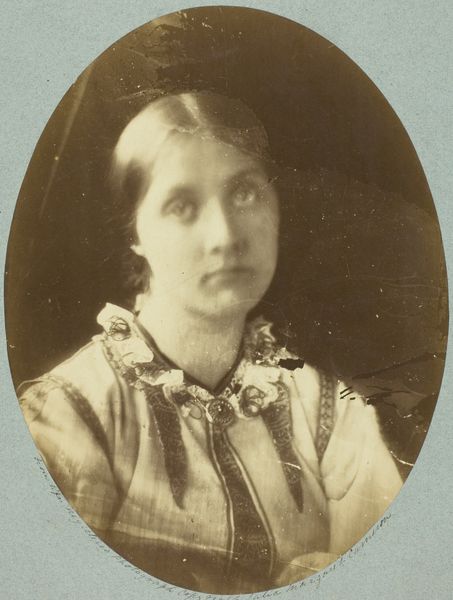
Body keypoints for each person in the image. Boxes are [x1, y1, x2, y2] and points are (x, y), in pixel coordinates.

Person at [18, 91, 402, 594]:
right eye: (182, 206)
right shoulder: (72, 417)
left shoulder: (330, 412)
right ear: (135, 232)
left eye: (245, 193)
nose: (224, 236)